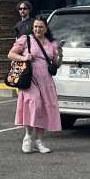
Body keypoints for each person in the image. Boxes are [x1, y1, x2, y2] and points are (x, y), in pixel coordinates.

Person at [8, 16, 62, 153]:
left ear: (46, 28)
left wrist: (60, 56)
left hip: (46, 80)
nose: (37, 29)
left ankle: (39, 141)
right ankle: (27, 137)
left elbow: (56, 64)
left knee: (44, 108)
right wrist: (24, 57)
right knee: (34, 105)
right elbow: (11, 54)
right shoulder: (26, 40)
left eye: (40, 27)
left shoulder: (51, 44)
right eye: (35, 26)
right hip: (30, 79)